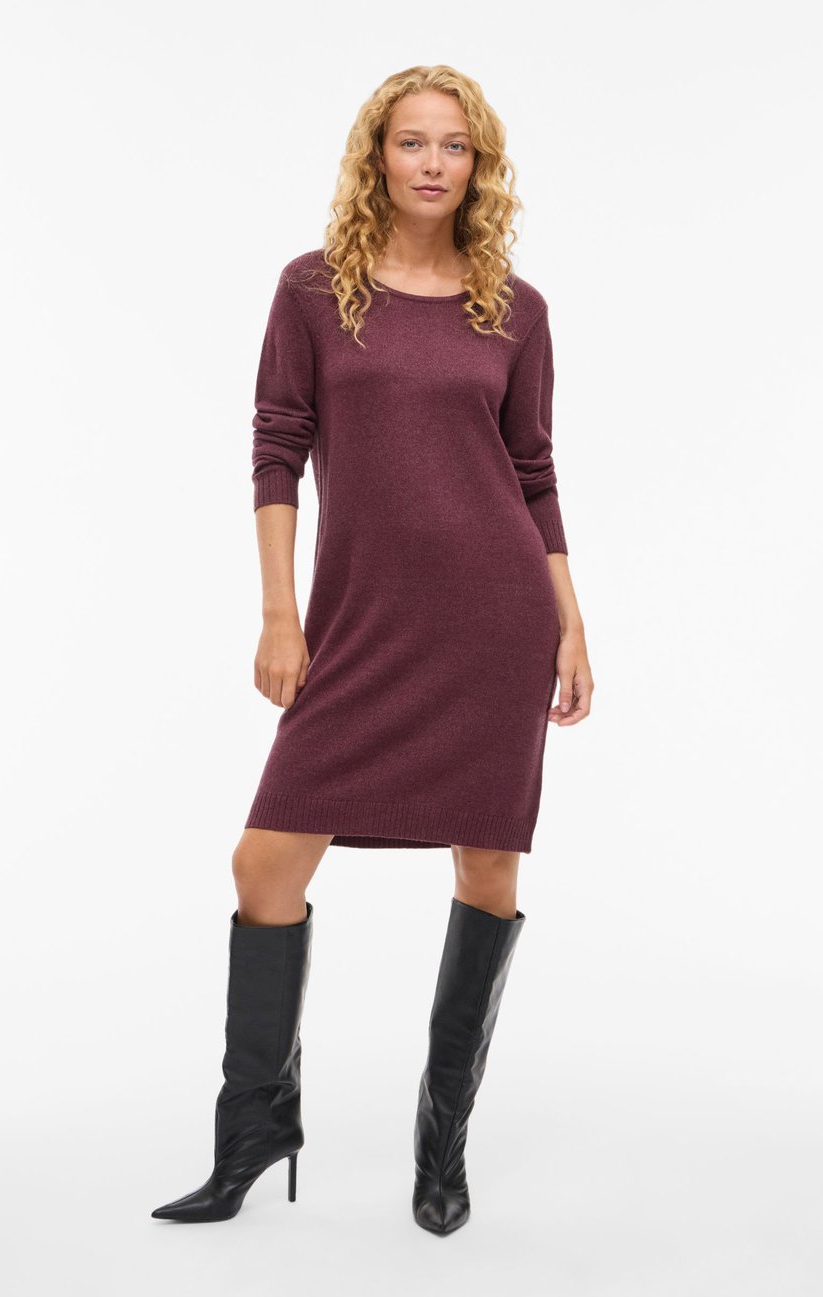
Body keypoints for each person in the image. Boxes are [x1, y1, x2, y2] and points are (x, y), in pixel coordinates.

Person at [151, 64, 594, 1235]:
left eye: (455, 145)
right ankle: (254, 1131)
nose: (433, 163)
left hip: (495, 619)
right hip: (359, 623)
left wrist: (570, 621)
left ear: (479, 165)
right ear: (377, 157)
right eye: (412, 141)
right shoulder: (313, 290)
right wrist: (279, 612)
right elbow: (277, 445)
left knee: (487, 871)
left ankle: (441, 1145)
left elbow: (534, 473)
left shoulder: (516, 309)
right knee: (264, 866)